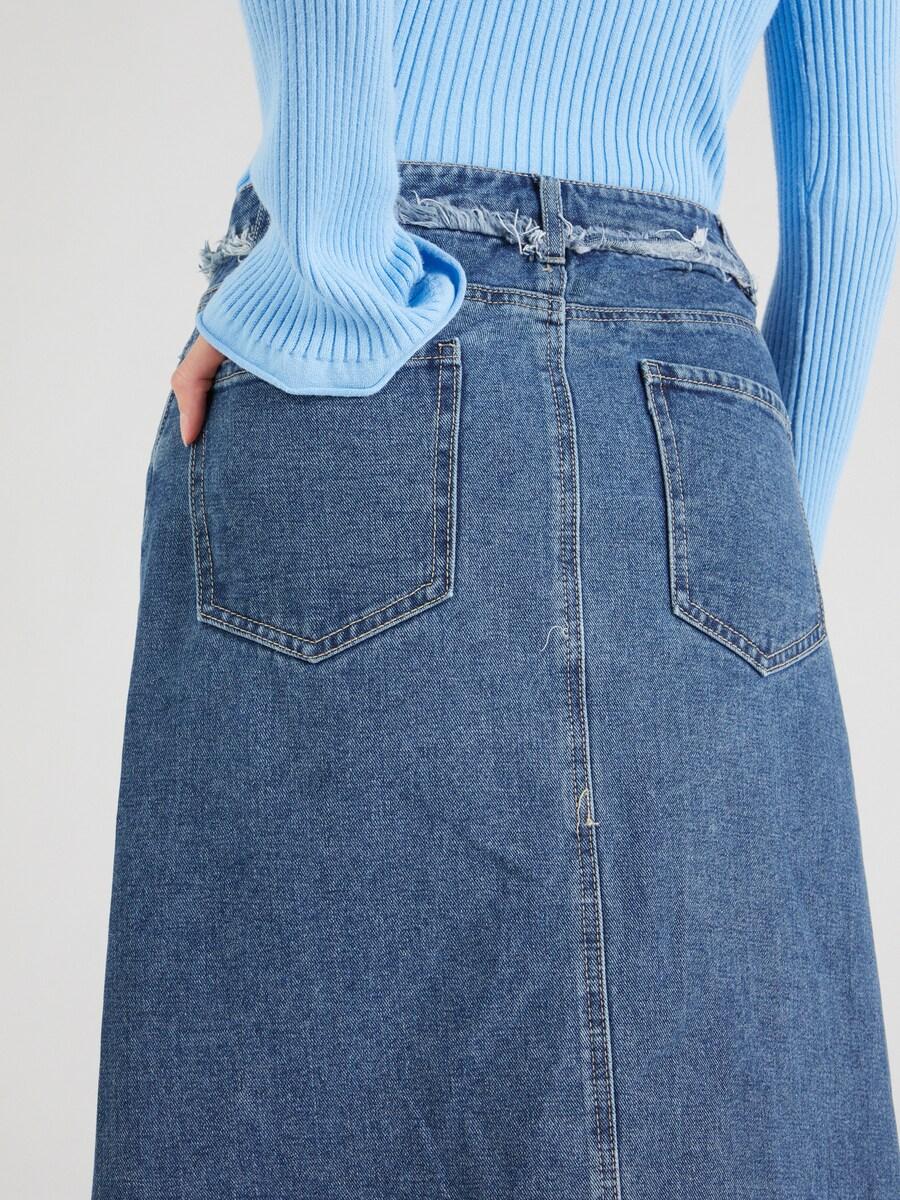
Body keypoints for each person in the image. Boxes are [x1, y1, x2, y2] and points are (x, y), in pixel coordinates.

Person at [92, 3, 899, 1198]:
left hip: (377, 333)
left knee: (302, 1100)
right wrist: (761, 514)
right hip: (704, 405)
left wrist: (328, 267)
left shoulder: (347, 287)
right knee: (737, 1115)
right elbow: (858, 189)